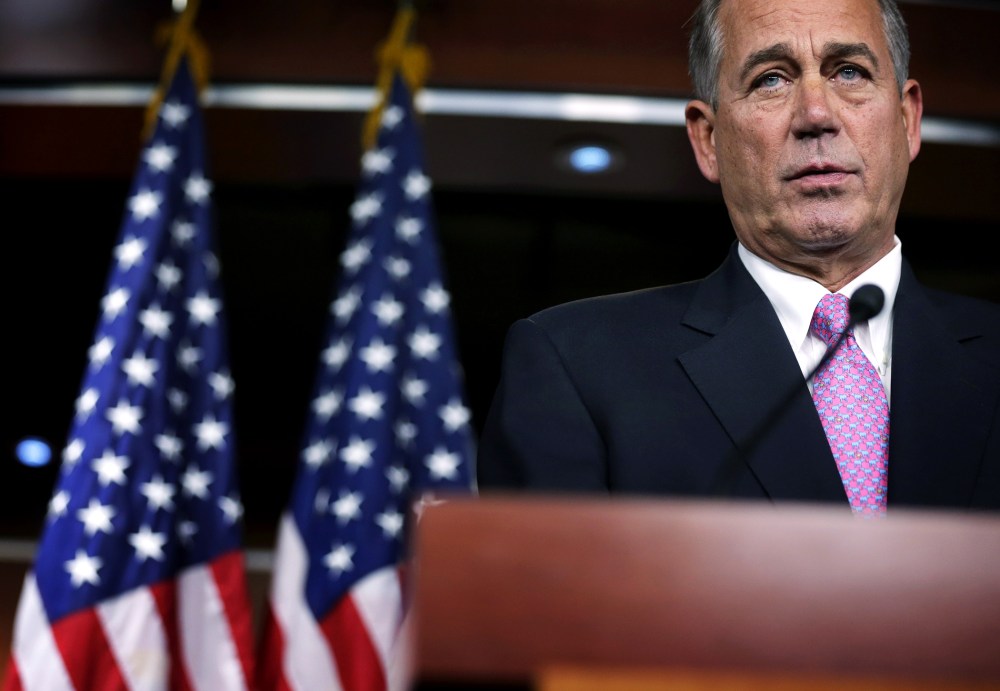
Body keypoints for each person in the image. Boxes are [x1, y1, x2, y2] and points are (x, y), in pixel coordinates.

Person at [476, 0, 1000, 511]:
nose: (816, 114)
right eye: (771, 78)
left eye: (849, 72)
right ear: (708, 140)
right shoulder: (577, 366)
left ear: (908, 120)